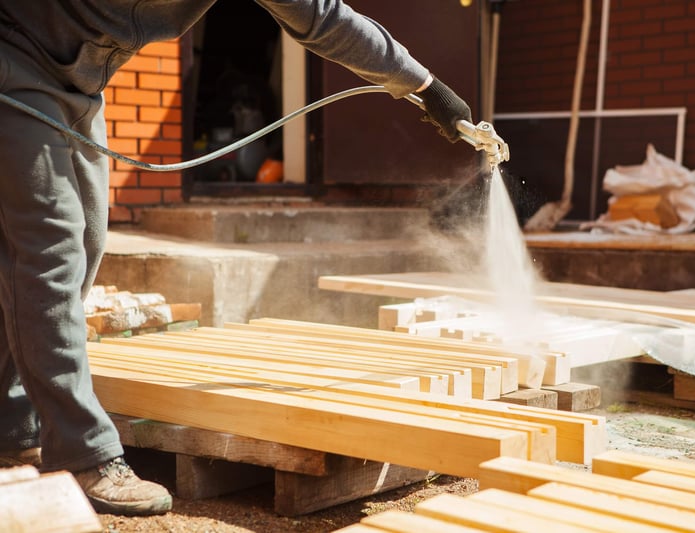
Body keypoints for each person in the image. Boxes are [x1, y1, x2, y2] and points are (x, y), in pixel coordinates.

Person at [0, 0, 472, 517]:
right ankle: (86, 452)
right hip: (14, 62)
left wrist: (424, 87)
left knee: (86, 242)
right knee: (50, 251)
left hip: (82, 86)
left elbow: (326, 18)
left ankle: (12, 417)